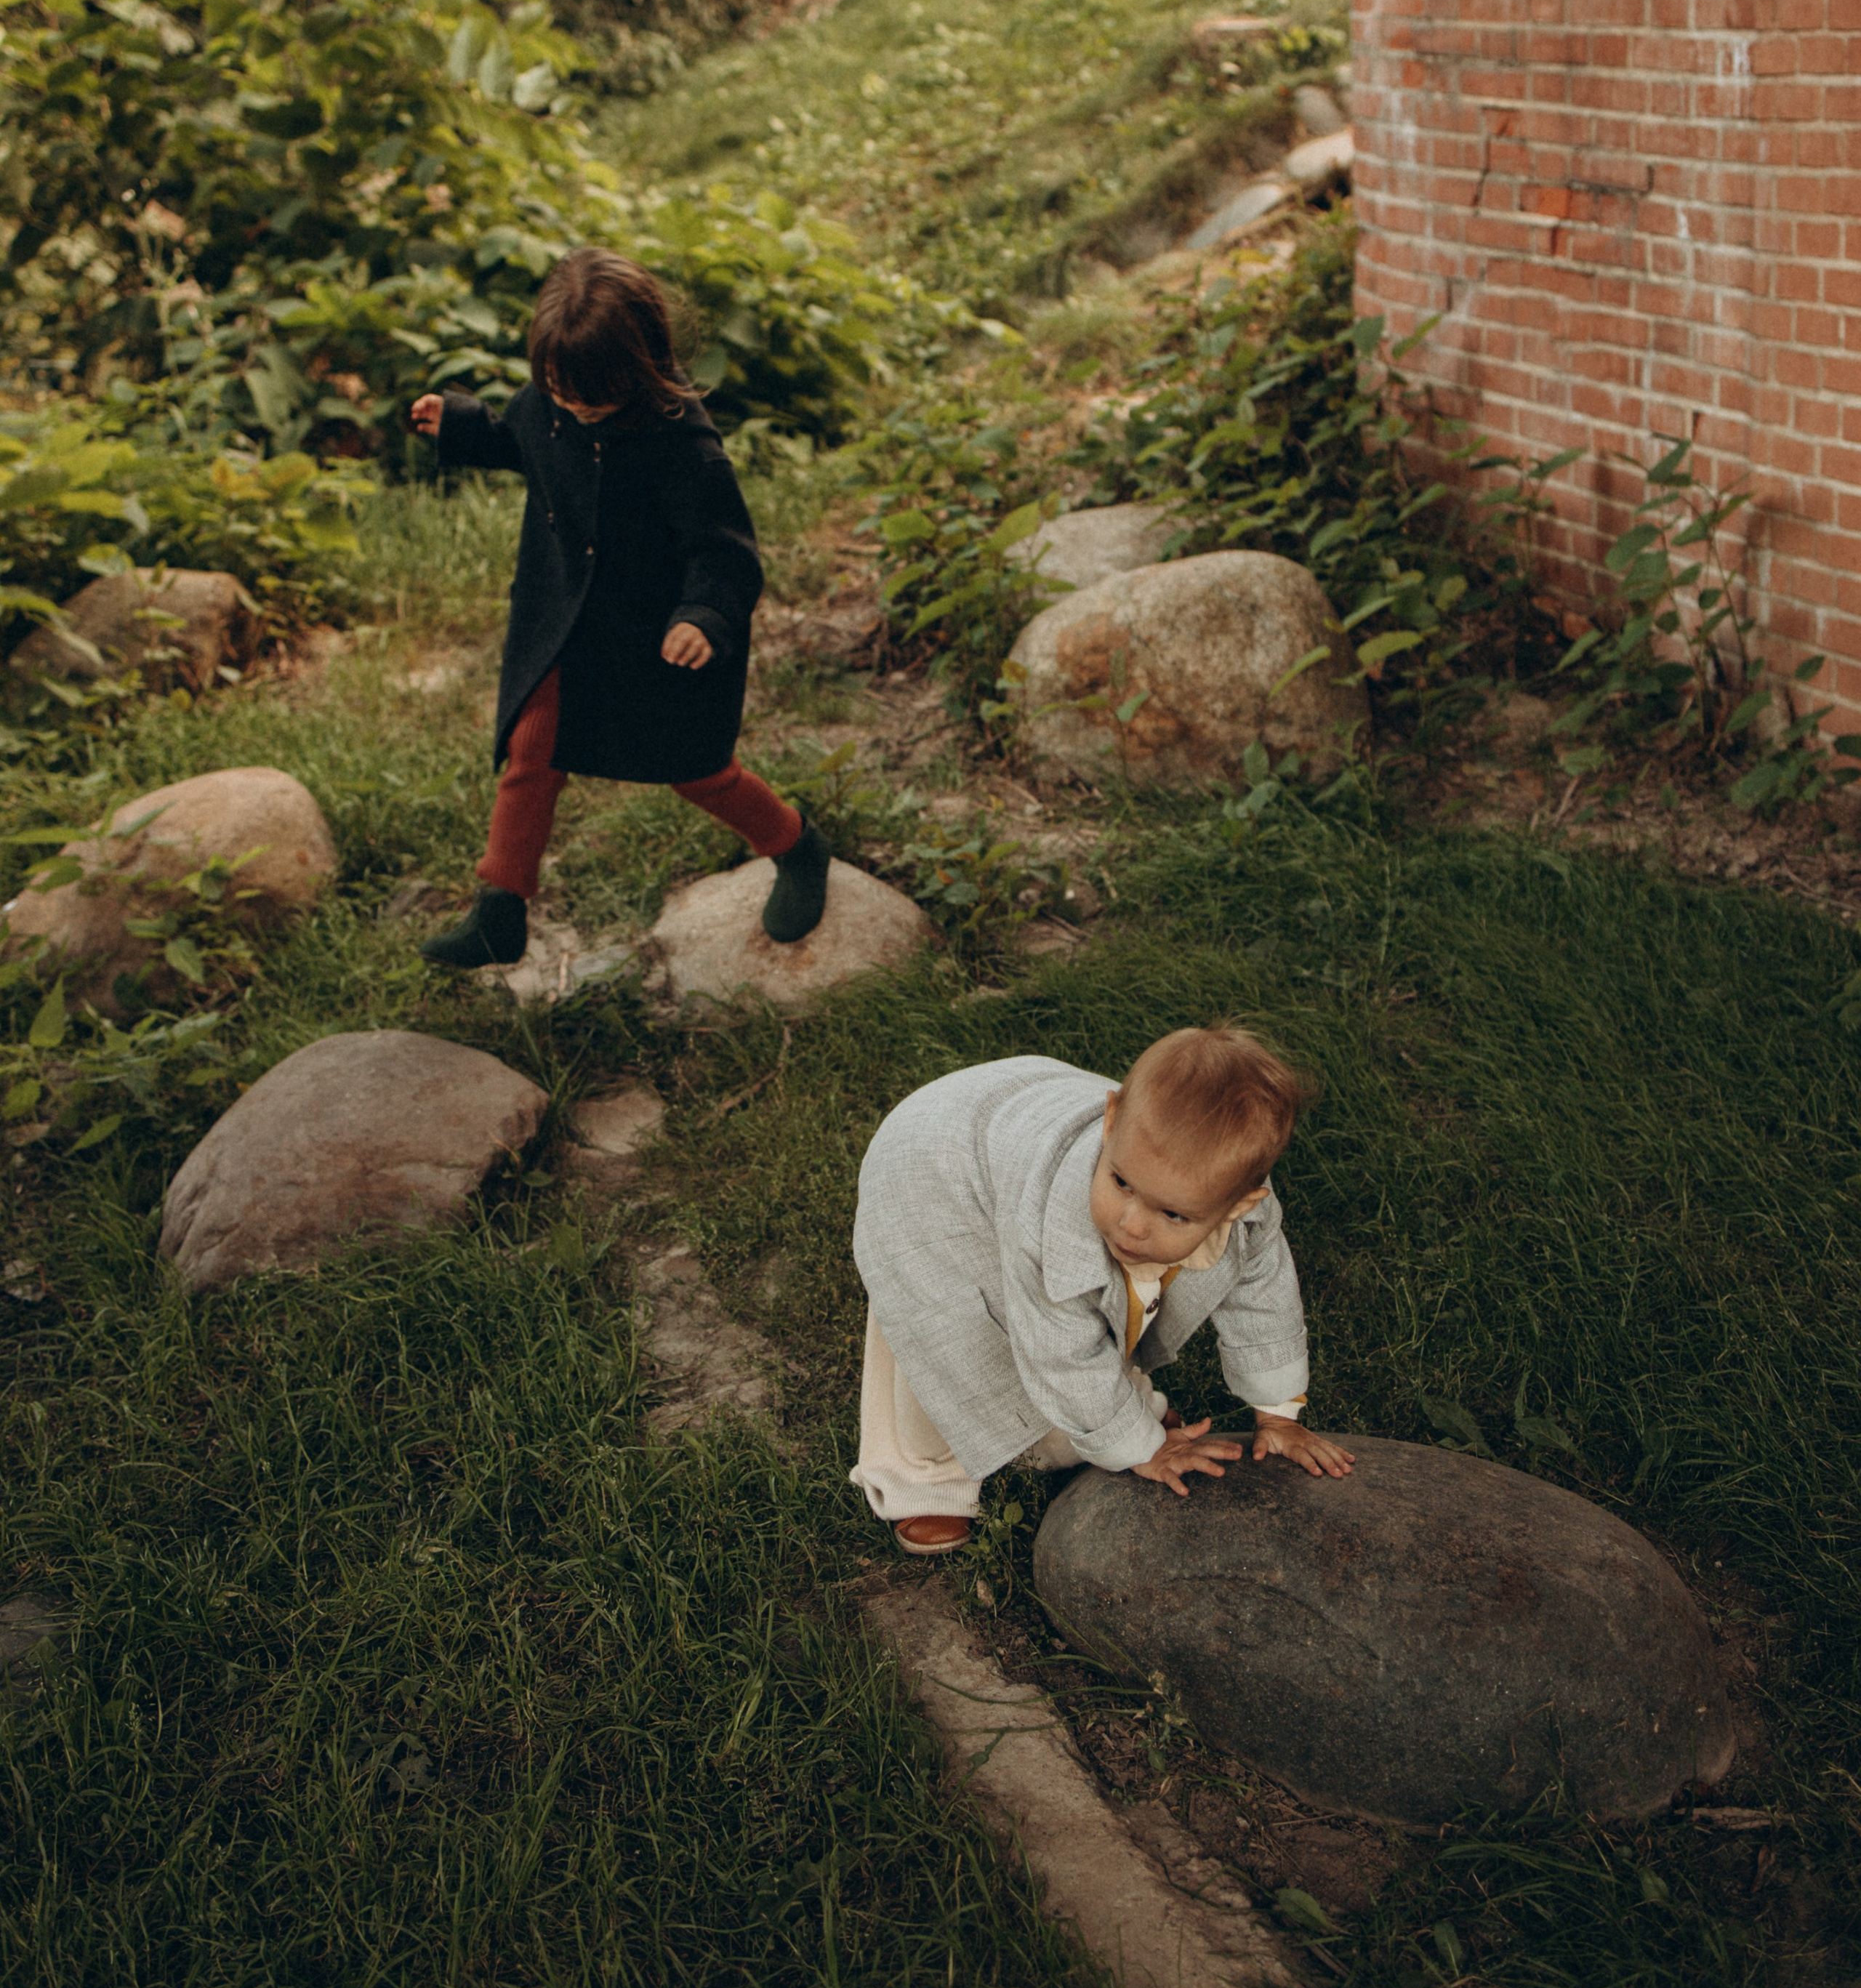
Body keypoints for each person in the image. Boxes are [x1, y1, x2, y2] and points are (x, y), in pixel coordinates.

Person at [408, 246, 832, 969]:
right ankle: (500, 905)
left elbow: (724, 549)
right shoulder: (547, 403)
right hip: (563, 627)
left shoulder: (681, 441)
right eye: (558, 393)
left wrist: (705, 615)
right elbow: (521, 443)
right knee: (530, 752)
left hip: (657, 637)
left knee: (696, 770)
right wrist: (462, 425)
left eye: (591, 400)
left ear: (642, 367)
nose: (572, 410)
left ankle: (795, 844)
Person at [851, 1026, 1354, 1553]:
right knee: (947, 1330)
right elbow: (1064, 1355)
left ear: (1238, 1205)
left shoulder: (1237, 1209)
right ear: (1111, 1120)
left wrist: (1278, 1414)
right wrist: (1144, 1449)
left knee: (1102, 1304)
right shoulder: (1055, 1222)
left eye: (1173, 1213)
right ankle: (924, 1477)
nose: (1131, 1224)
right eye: (1120, 1183)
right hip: (934, 1168)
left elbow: (1263, 1298)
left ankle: (1114, 1411)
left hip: (1011, 1117)